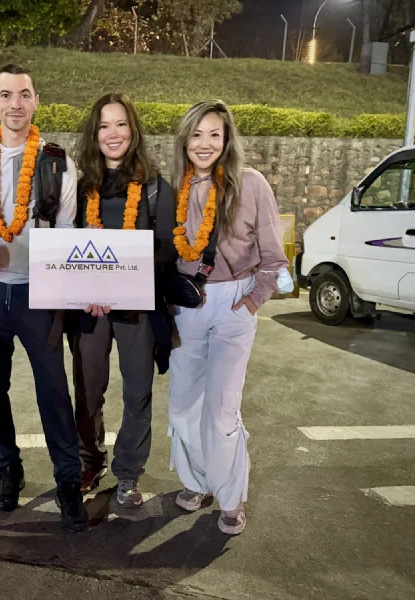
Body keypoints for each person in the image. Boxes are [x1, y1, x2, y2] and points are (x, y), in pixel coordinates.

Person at [0, 64, 89, 533]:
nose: (16, 103)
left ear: (36, 102)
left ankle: (69, 482)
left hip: (41, 292)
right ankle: (7, 471)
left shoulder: (57, 162)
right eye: (7, 94)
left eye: (25, 94)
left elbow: (71, 232)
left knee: (54, 391)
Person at [167, 100, 287, 535]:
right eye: (197, 134)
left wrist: (253, 300)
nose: (205, 143)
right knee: (183, 405)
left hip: (233, 303)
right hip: (185, 307)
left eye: (214, 134)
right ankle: (198, 482)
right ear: (185, 140)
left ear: (227, 139)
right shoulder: (171, 189)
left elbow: (275, 257)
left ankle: (231, 497)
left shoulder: (250, 184)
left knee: (221, 408)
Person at [71, 93, 176, 506]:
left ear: (133, 131)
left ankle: (129, 473)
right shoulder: (81, 189)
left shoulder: (154, 187)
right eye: (103, 126)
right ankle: (89, 460)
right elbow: (69, 247)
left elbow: (167, 248)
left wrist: (121, 274)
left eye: (120, 125)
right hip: (90, 309)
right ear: (94, 134)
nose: (112, 134)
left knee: (137, 391)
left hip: (138, 308)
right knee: (88, 389)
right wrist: (92, 288)